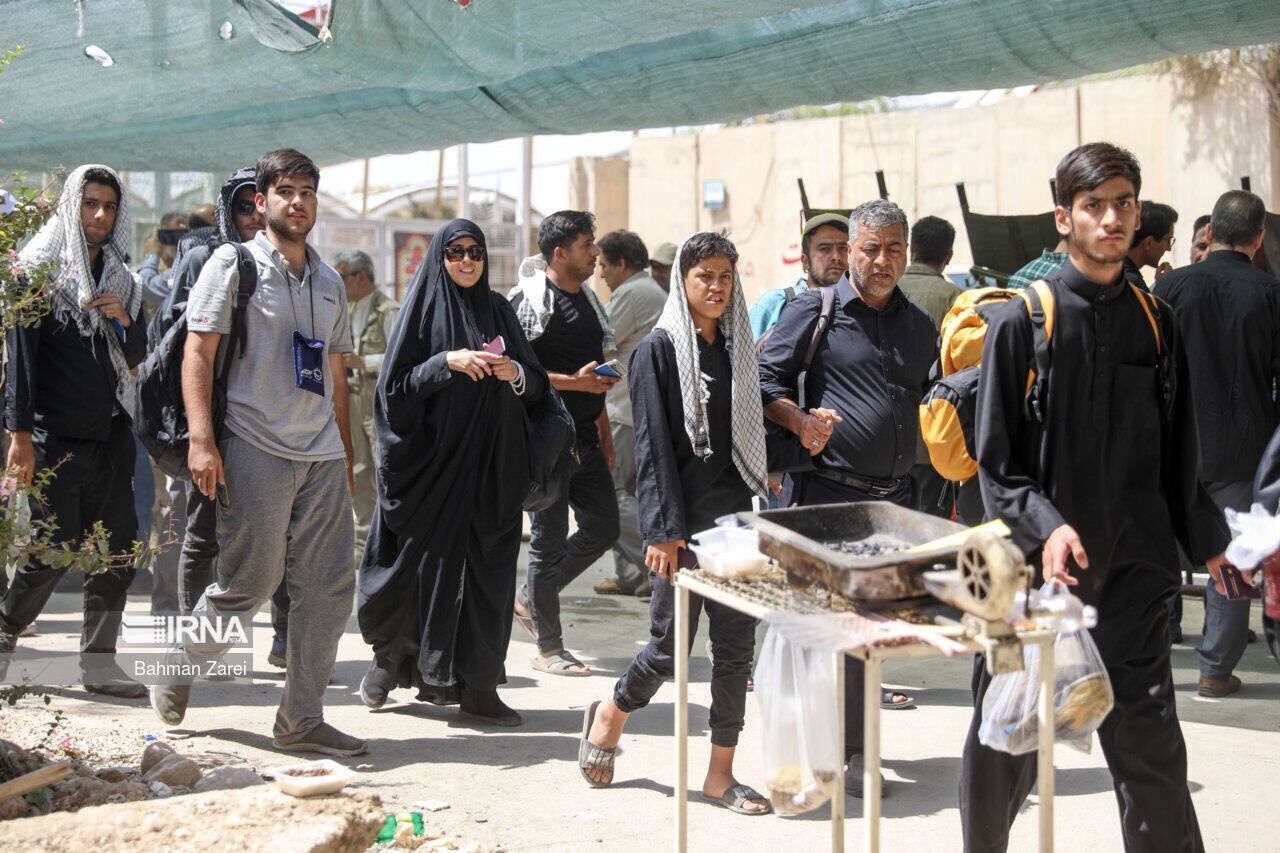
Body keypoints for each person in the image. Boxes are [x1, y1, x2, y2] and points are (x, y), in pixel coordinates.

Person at [963, 142, 1228, 853]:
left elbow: (1180, 452)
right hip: (1036, 583)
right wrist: (1046, 527)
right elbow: (997, 462)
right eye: (1094, 205)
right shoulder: (1025, 321)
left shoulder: (1155, 318)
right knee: (1005, 750)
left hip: (1137, 581)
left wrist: (1212, 543)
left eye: (1123, 204)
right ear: (1064, 217)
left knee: (1153, 761)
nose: (1111, 218)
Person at [150, 149, 366, 757]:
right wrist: (201, 440)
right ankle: (178, 659)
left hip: (319, 452)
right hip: (253, 444)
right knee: (250, 584)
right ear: (262, 201)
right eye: (284, 191)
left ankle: (301, 720)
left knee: (328, 588)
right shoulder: (233, 264)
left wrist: (344, 454)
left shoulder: (328, 280)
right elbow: (199, 353)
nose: (297, 202)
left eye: (307, 192)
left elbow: (332, 368)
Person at [578, 233, 772, 816]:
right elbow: (656, 449)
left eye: (725, 276)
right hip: (681, 527)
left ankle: (720, 775)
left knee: (735, 653)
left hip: (734, 523)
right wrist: (662, 532)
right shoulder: (657, 352)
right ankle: (611, 713)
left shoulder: (739, 352)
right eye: (703, 275)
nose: (715, 286)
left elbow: (751, 434)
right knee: (668, 652)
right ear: (681, 281)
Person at [758, 198, 937, 796]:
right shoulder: (815, 311)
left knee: (870, 632)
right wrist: (799, 419)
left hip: (893, 503)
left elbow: (929, 395)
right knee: (819, 632)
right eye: (871, 249)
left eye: (893, 250)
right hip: (826, 496)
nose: (882, 261)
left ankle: (857, 753)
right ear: (852, 251)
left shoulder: (919, 325)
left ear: (906, 254)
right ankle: (807, 749)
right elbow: (762, 383)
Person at [357, 220, 548, 725]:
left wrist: (516, 373)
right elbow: (392, 392)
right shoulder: (418, 314)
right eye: (456, 252)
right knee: (419, 574)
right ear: (439, 258)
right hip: (431, 472)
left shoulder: (500, 310)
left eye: (476, 253)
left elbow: (539, 390)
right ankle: (389, 661)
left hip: (490, 472)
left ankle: (480, 688)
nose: (467, 261)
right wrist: (447, 361)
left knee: (488, 576)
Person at [0, 164, 147, 698]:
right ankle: (4, 636)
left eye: (109, 206)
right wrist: (19, 438)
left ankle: (100, 662)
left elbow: (137, 357)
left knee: (121, 550)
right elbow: (20, 366)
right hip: (51, 438)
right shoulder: (34, 274)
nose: (101, 215)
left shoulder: (123, 282)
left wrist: (124, 323)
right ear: (72, 206)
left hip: (110, 436)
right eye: (90, 204)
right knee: (50, 549)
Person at [1154, 190, 1279, 698]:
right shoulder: (1271, 294)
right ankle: (1215, 670)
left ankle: (1140, 661)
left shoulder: (1171, 287)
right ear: (1258, 237)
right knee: (1230, 557)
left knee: (1156, 553)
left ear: (1211, 235)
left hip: (1169, 446)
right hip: (1239, 450)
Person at [509, 211, 620, 677]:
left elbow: (595, 375)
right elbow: (515, 370)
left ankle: (533, 599)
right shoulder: (528, 302)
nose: (595, 252)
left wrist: (604, 431)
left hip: (587, 438)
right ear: (559, 252)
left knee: (604, 528)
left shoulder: (590, 303)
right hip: (545, 442)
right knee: (547, 542)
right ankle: (550, 649)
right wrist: (574, 385)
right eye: (586, 244)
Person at [151, 168, 264, 617]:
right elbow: (177, 340)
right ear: (227, 210)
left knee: (279, 533)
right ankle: (185, 639)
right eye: (242, 206)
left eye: (259, 204)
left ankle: (282, 638)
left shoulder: (291, 263)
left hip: (264, 417)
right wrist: (195, 431)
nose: (253, 216)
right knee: (200, 531)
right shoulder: (204, 257)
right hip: (211, 417)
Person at [594, 230, 667, 597]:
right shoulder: (650, 291)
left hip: (622, 411)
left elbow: (600, 345)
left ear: (622, 263)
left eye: (604, 265)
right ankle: (631, 576)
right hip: (634, 408)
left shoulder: (632, 294)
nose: (601, 273)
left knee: (610, 498)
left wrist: (584, 380)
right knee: (628, 494)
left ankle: (658, 565)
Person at [334, 249, 399, 563]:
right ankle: (362, 544)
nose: (340, 283)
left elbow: (401, 358)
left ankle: (389, 542)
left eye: (343, 276)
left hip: (377, 400)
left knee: (383, 468)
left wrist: (364, 362)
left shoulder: (388, 310)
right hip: (352, 397)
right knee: (358, 470)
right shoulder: (345, 307)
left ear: (360, 276)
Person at [897, 215, 962, 518]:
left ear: (910, 249)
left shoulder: (886, 288)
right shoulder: (956, 299)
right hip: (933, 436)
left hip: (884, 438)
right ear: (948, 256)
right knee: (928, 527)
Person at [748, 213, 849, 341]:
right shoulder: (775, 304)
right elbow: (745, 358)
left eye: (843, 249)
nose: (836, 257)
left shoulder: (859, 308)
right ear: (805, 261)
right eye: (825, 249)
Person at [1124, 199, 1178, 287]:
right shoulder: (1131, 283)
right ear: (1148, 243)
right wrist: (1165, 287)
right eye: (1168, 241)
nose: (1169, 248)